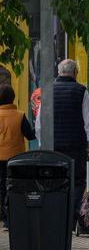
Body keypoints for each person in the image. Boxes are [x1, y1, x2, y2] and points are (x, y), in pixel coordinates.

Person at [34, 60, 89, 228]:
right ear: (75, 73)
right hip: (75, 146)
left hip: (53, 147)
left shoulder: (47, 92)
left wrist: (42, 143)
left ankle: (56, 216)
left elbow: (40, 122)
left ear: (59, 72)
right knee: (77, 181)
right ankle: (71, 217)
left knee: (55, 180)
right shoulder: (81, 91)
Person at [0, 84, 37, 228]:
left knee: (1, 186)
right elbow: (30, 136)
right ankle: (11, 217)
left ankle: (4, 216)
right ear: (13, 98)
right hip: (15, 159)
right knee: (13, 187)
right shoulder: (19, 115)